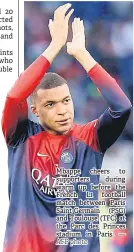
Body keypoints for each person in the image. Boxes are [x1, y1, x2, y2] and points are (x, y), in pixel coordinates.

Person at [1, 3, 131, 252]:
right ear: (35, 111)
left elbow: (122, 107)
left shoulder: (89, 139)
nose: (62, 110)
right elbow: (14, 98)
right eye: (51, 103)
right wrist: (54, 47)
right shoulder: (20, 136)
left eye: (66, 100)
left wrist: (81, 53)